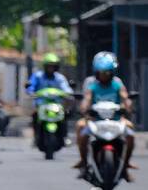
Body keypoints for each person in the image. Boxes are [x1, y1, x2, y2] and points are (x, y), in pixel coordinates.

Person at [74, 51, 136, 180]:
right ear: (96, 72)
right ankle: (84, 162)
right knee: (82, 131)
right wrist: (84, 108)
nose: (104, 76)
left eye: (107, 73)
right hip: (95, 120)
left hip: (116, 120)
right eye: (102, 73)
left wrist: (128, 107)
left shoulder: (117, 84)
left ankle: (125, 165)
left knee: (130, 135)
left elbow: (125, 97)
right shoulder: (92, 86)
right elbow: (86, 99)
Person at [25, 52, 73, 136]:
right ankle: (36, 135)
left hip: (57, 104)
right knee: (35, 115)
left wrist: (68, 93)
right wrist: (30, 91)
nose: (51, 68)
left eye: (53, 66)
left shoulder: (60, 78)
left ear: (56, 67)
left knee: (65, 115)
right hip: (41, 104)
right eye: (49, 66)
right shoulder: (38, 76)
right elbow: (31, 86)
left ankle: (65, 136)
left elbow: (66, 88)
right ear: (45, 66)